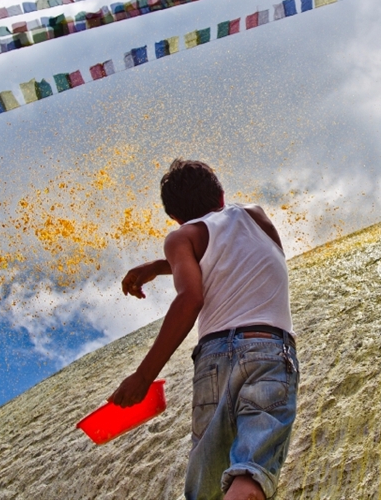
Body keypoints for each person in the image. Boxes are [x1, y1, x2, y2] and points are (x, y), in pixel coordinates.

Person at [109, 159, 298, 500]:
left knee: (206, 490)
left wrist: (143, 375)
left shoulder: (182, 237)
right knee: (250, 475)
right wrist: (159, 265)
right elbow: (237, 253)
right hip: (267, 347)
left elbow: (191, 297)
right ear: (222, 196)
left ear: (175, 217)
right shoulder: (256, 215)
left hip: (213, 360)